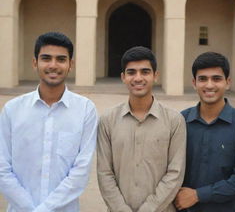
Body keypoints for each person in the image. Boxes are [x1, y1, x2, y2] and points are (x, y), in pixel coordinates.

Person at [0, 32, 98, 212]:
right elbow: (2, 167)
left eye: (61, 59)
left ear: (71, 65)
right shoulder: (12, 110)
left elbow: (81, 171)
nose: (53, 65)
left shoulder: (85, 110)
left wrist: (44, 209)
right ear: (35, 62)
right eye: (46, 58)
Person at [97, 46, 186, 212]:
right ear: (123, 77)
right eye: (131, 72)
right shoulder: (107, 120)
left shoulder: (175, 121)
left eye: (145, 72)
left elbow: (175, 173)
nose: (138, 78)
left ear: (155, 76)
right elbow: (104, 173)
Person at [174, 52, 235, 212]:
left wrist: (198, 195)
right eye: (203, 79)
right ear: (194, 83)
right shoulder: (180, 121)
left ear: (228, 82)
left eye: (216, 79)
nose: (209, 85)